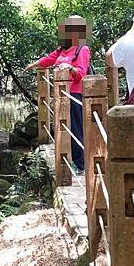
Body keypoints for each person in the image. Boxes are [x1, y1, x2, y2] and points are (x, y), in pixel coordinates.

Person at [24, 15, 91, 173]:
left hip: (74, 94)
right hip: (61, 95)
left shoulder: (83, 49)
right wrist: (32, 65)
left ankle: (81, 164)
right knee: (65, 128)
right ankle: (72, 160)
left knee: (75, 129)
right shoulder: (62, 49)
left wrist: (70, 68)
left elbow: (82, 73)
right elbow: (49, 60)